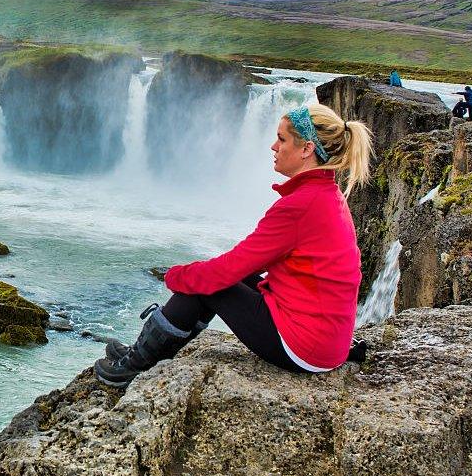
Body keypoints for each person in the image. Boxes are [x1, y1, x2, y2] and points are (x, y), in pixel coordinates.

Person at [95, 104, 374, 387]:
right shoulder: (327, 194)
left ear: (307, 149)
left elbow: (229, 269)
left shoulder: (301, 205)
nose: (273, 146)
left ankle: (134, 366)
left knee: (207, 285)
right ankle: (145, 351)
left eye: (281, 139)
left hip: (306, 348)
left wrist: (175, 276)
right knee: (227, 277)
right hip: (328, 341)